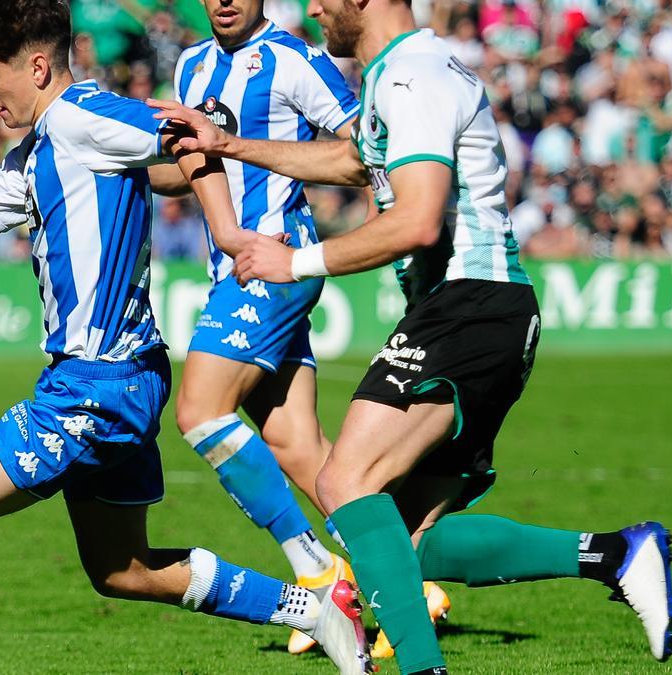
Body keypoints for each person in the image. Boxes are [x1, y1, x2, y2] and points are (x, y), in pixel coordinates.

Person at [0, 2, 373, 674]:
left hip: (96, 384)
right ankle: (315, 608)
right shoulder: (39, 146)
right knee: (122, 568)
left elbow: (188, 133)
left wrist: (227, 234)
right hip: (119, 375)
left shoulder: (86, 115)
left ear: (39, 66)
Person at [151, 0, 672, 672]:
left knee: (343, 480)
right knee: (397, 540)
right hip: (474, 311)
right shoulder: (395, 76)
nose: (314, 8)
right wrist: (230, 146)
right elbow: (349, 162)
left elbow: (420, 220)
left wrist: (297, 261)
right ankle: (615, 553)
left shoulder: (412, 77)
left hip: (469, 305)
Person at [146, 0, 447, 658]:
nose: (224, 1)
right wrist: (121, 168)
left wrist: (399, 248)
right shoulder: (193, 65)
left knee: (198, 410)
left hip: (275, 261)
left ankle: (319, 571)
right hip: (233, 269)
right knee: (299, 447)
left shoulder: (296, 59)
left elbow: (361, 150)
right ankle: (403, 581)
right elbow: (193, 169)